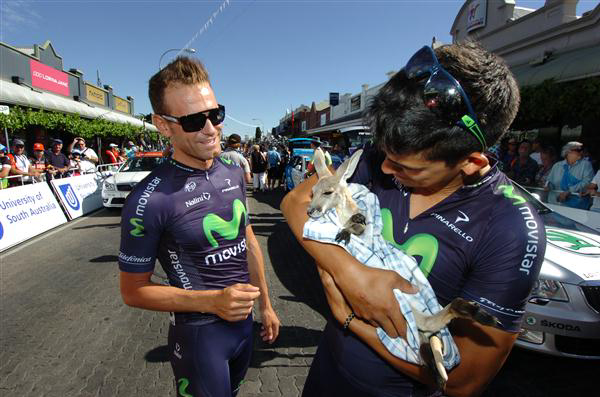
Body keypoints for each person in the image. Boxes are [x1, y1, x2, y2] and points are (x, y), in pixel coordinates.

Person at [282, 42, 545, 397]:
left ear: (472, 163)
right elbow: (295, 202)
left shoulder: (510, 226)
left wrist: (351, 320)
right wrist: (351, 272)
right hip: (326, 375)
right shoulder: (381, 155)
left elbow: (465, 380)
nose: (386, 168)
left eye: (404, 166)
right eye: (384, 154)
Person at [118, 56, 279, 397]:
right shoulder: (149, 200)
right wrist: (212, 301)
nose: (210, 128)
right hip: (200, 339)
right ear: (163, 125)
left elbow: (248, 240)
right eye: (193, 120)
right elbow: (133, 292)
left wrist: (266, 303)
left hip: (245, 329)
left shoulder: (232, 171)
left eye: (215, 114)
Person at [545, 141, 594, 209]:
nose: (581, 152)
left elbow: (587, 182)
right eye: (578, 150)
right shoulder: (557, 165)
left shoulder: (586, 165)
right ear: (567, 152)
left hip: (577, 208)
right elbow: (549, 182)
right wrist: (548, 186)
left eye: (581, 150)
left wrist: (569, 191)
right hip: (554, 204)